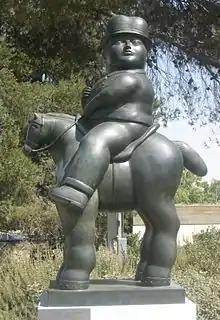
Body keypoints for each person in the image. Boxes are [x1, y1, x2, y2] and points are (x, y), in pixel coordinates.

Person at [49, 14, 155, 212]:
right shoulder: (113, 77)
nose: (128, 46)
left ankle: (77, 188)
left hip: (128, 125)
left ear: (146, 52)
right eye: (120, 42)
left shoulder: (131, 78)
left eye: (135, 42)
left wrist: (88, 106)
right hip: (112, 122)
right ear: (106, 52)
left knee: (96, 139)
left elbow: (101, 100)